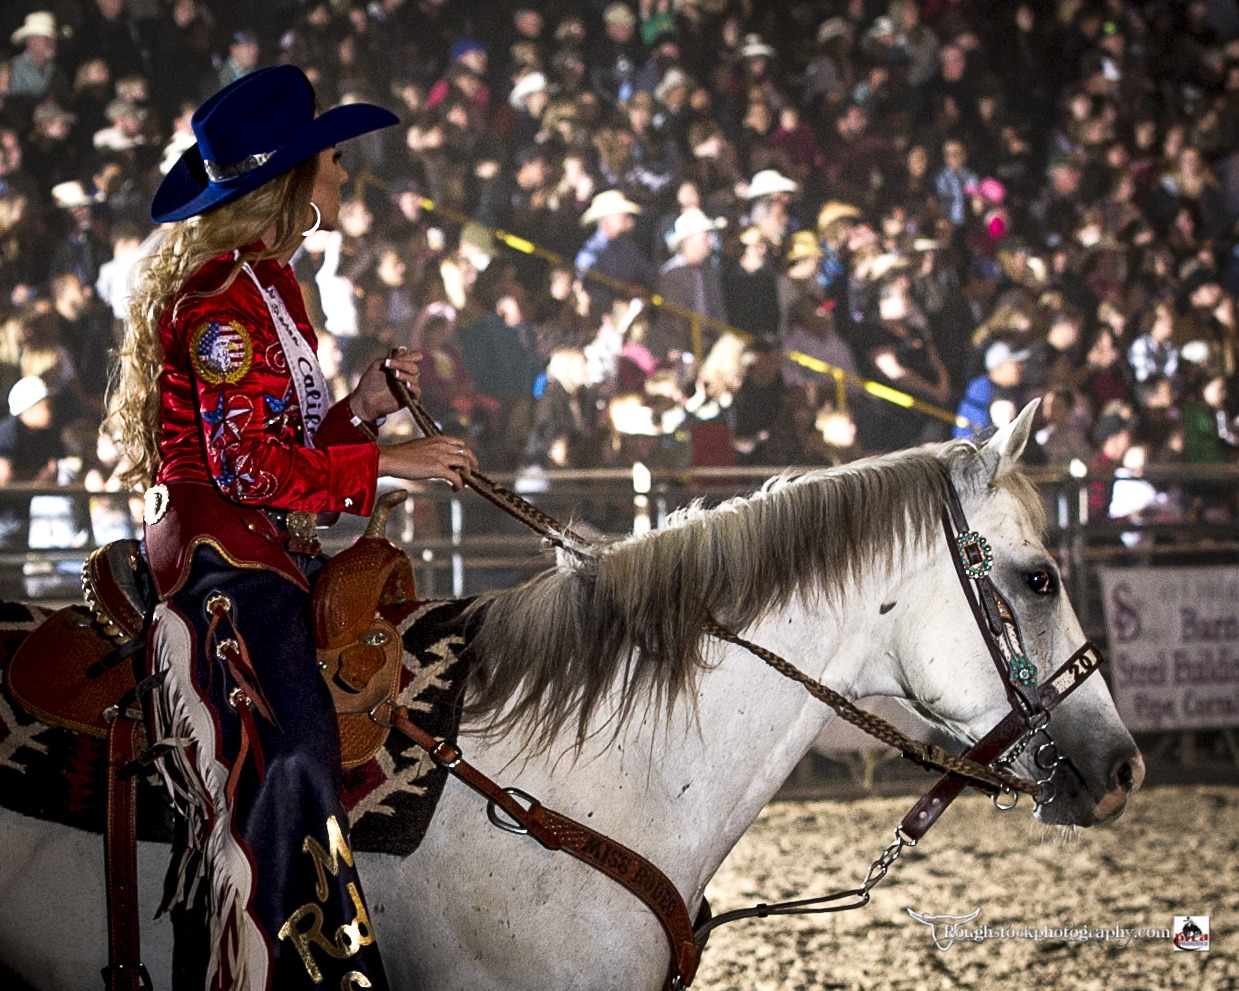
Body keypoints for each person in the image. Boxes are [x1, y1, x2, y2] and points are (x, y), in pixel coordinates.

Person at [110, 65, 477, 990]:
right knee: (299, 750)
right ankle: (269, 966)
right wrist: (394, 462)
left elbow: (285, 444)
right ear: (288, 179)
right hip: (222, 562)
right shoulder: (222, 305)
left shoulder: (270, 289)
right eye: (331, 159)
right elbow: (245, 469)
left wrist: (361, 407)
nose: (344, 174)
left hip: (264, 547)